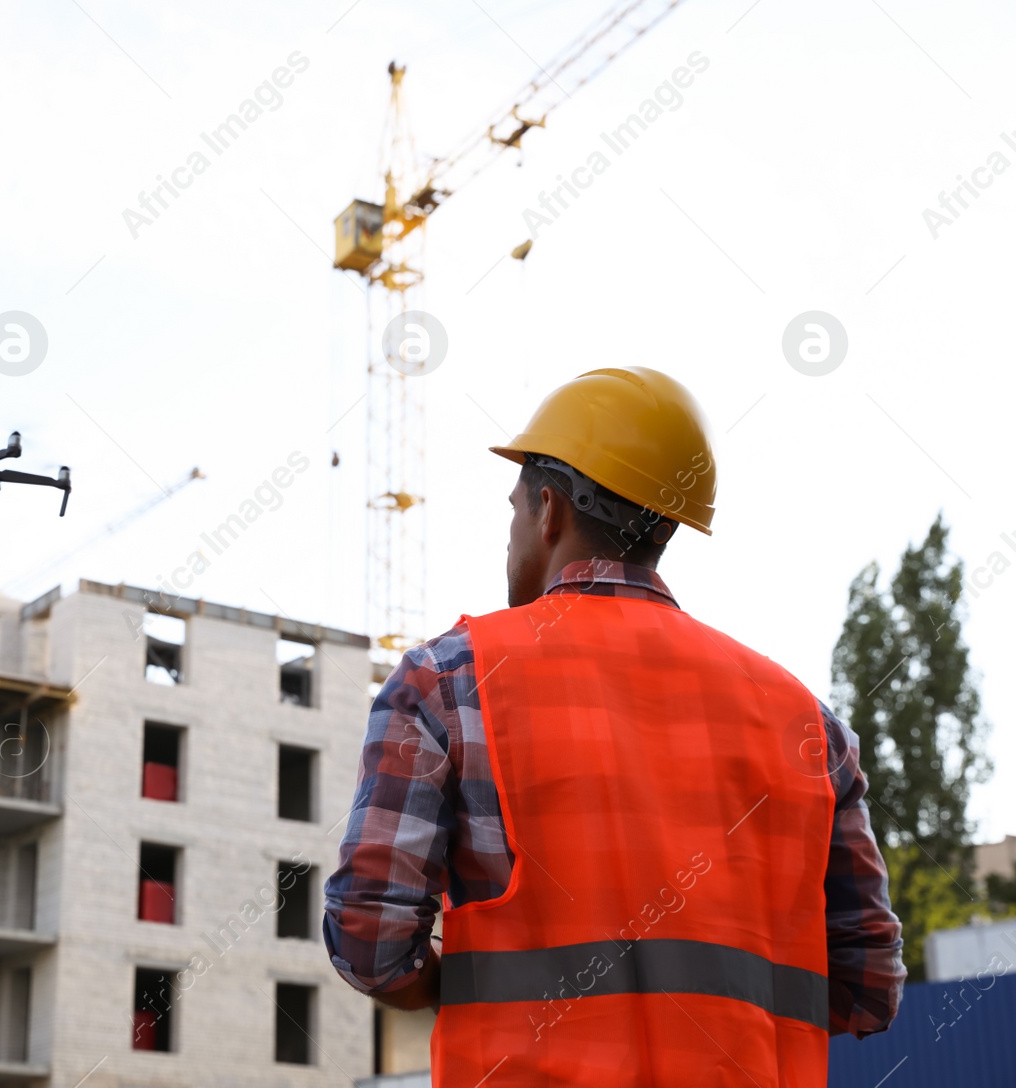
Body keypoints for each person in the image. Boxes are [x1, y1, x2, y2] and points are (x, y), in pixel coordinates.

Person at [323, 367, 904, 1086]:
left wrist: (483, 989)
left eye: (512, 512)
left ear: (547, 511)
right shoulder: (808, 726)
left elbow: (371, 945)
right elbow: (868, 990)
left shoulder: (446, 682)